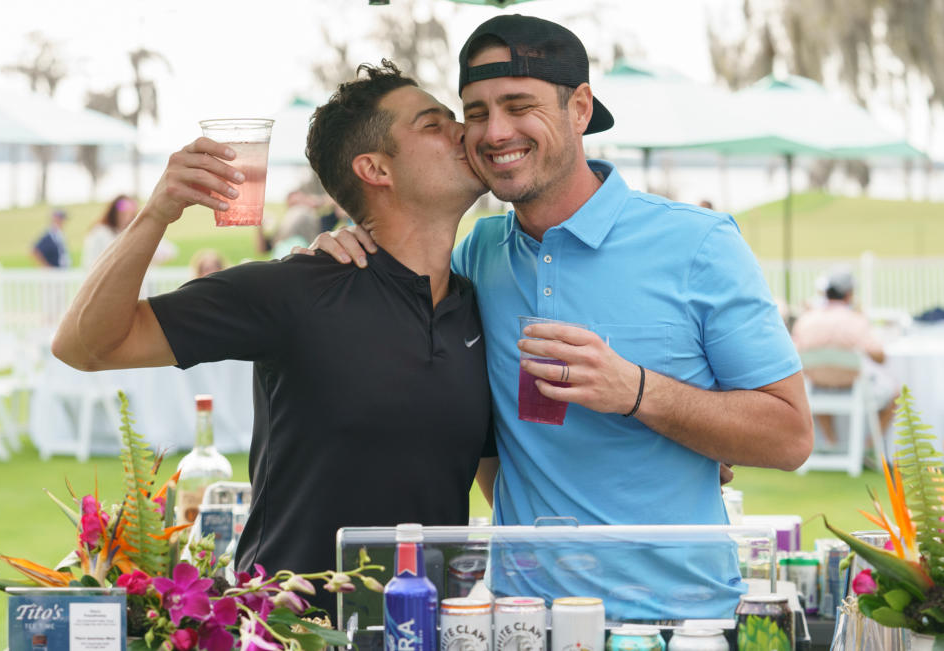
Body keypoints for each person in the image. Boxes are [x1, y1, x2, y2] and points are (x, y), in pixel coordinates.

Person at [309, 15, 813, 620]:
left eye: (519, 105)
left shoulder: (699, 244)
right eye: (476, 112)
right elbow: (489, 432)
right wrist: (337, 247)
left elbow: (790, 436)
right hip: (521, 617)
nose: (495, 132)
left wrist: (637, 391)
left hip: (682, 620)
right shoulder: (474, 254)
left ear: (579, 108)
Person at [52, 61, 496, 618]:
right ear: (375, 168)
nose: (465, 132)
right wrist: (159, 211)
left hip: (426, 626)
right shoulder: (296, 289)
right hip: (291, 628)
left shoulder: (477, 308)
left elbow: (495, 481)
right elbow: (84, 345)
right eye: (434, 124)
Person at [791, 267, 899, 445]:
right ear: (849, 294)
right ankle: (869, 446)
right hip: (851, 386)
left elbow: (796, 351)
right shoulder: (855, 320)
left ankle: (831, 441)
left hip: (815, 386)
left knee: (811, 384)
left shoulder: (807, 320)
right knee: (897, 393)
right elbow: (880, 356)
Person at [82, 195, 177, 268]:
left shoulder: (138, 233)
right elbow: (91, 263)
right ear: (114, 213)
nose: (126, 217)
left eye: (130, 213)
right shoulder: (100, 232)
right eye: (123, 213)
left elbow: (170, 251)